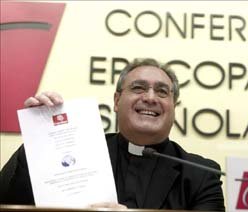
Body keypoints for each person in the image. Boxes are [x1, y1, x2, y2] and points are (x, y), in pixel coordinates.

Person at [0, 58, 225, 211]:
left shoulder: (201, 175)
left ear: (173, 105)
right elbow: (9, 199)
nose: (150, 97)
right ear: (117, 101)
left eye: (162, 91)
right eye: (138, 88)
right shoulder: (79, 151)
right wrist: (40, 137)